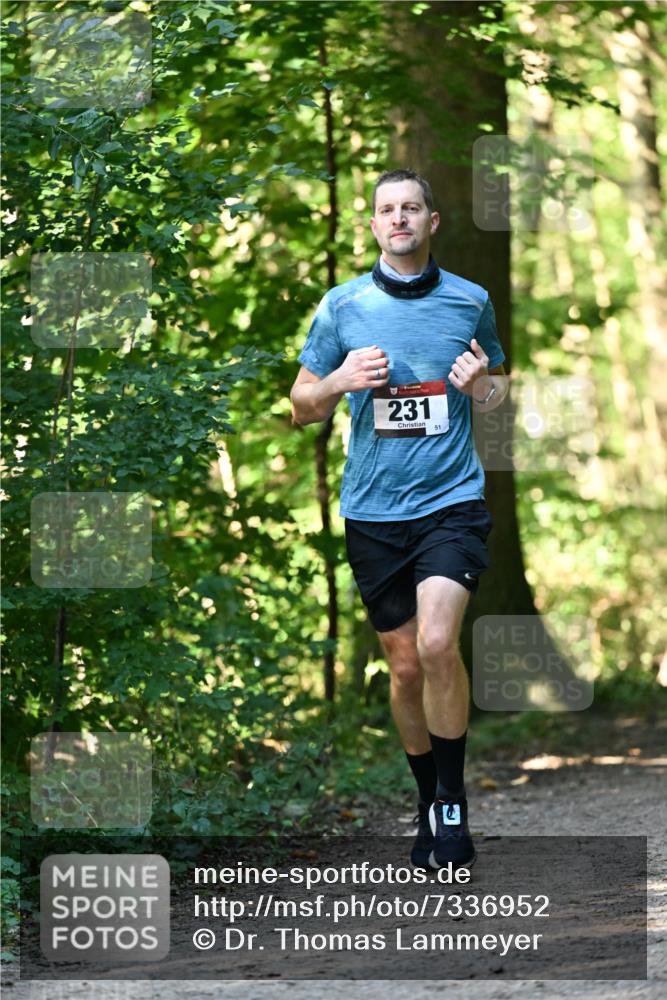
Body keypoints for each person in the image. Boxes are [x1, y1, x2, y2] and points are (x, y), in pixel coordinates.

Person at [290, 168, 508, 870]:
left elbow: (498, 395)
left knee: (440, 642)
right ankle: (424, 803)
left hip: (451, 502)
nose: (399, 219)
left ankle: (451, 803)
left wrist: (484, 389)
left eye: (411, 207)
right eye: (387, 210)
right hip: (373, 512)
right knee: (406, 663)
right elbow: (300, 405)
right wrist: (337, 381)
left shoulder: (469, 301)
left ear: (431, 221)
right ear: (374, 224)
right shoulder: (341, 307)